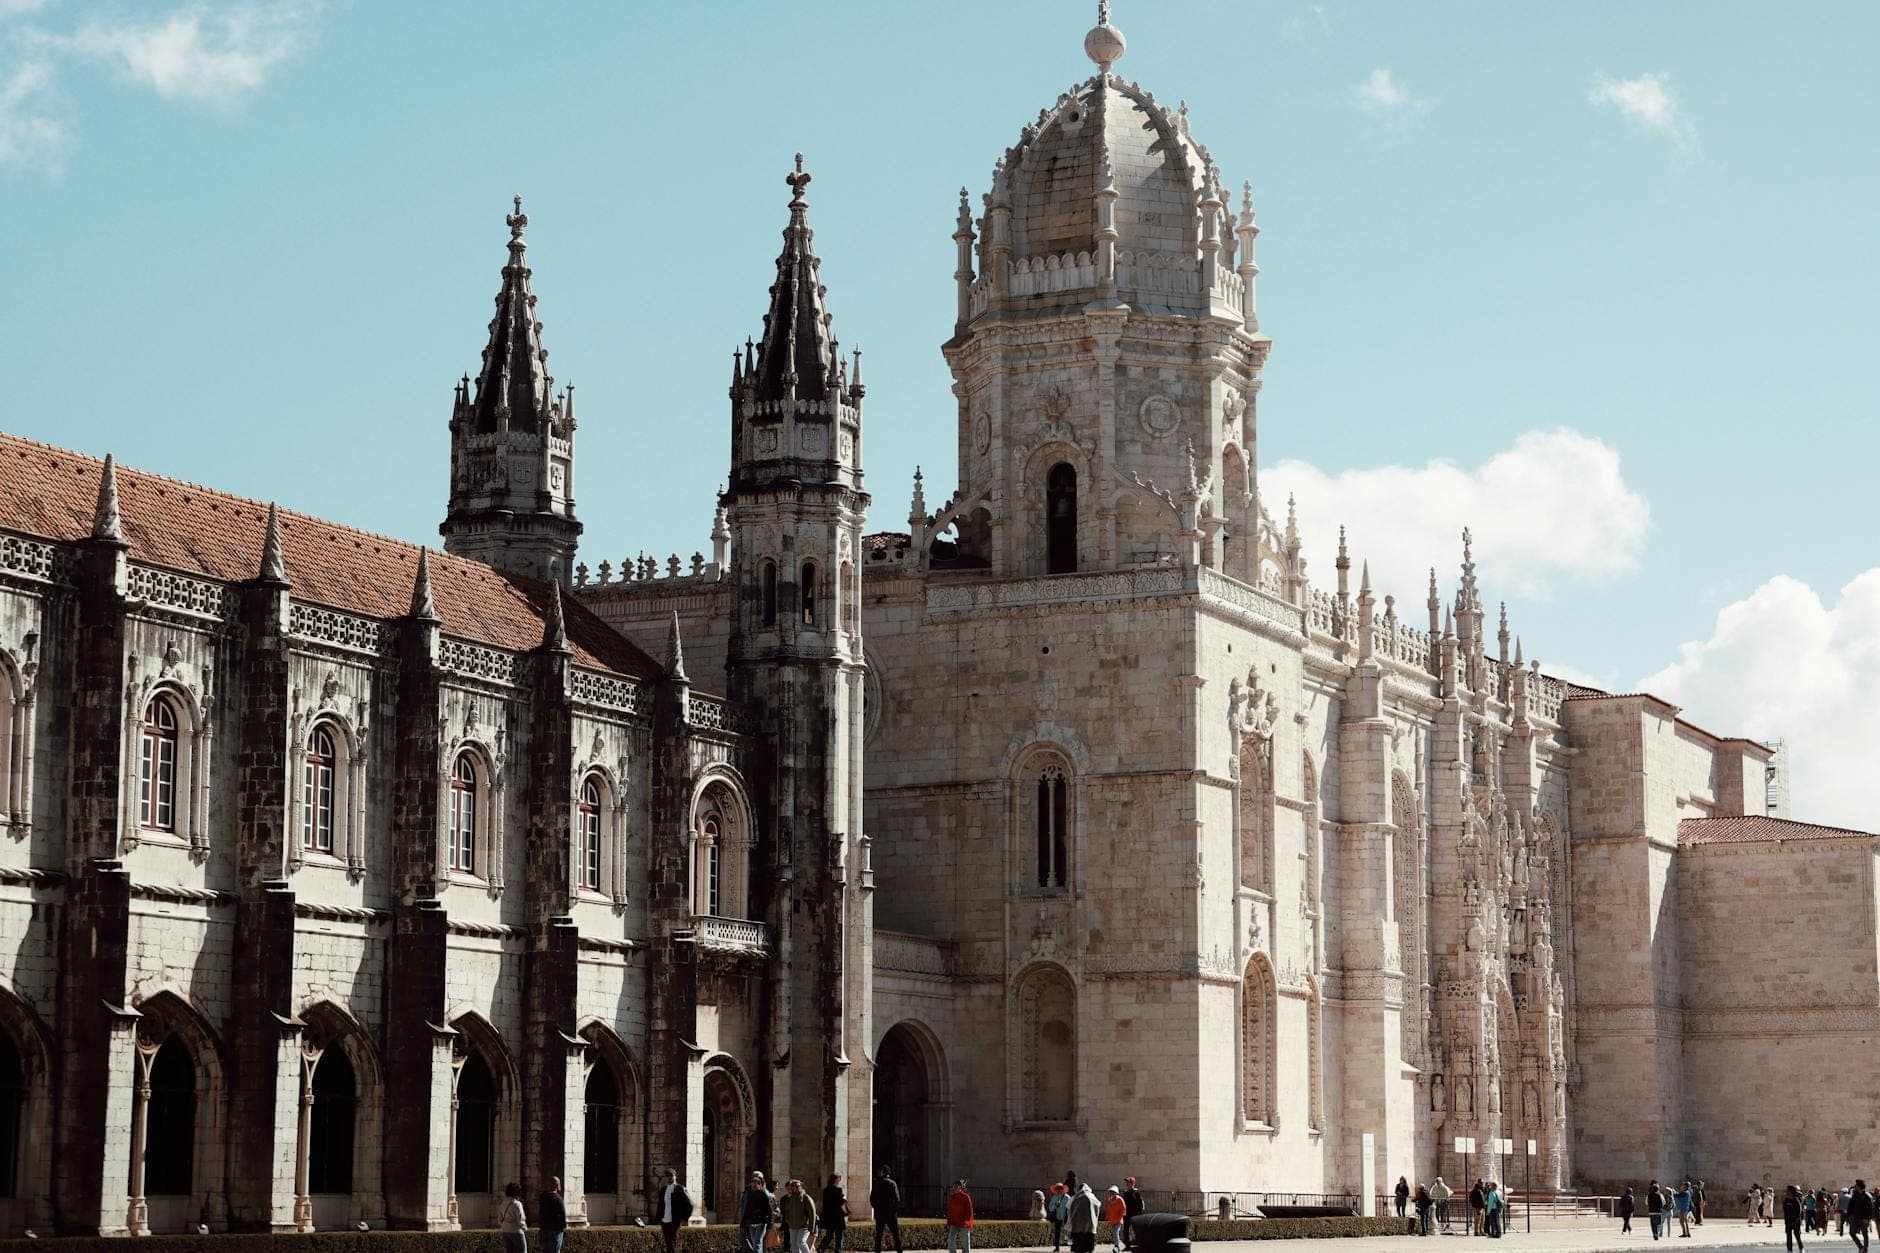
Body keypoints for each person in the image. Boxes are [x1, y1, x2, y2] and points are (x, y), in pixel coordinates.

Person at [659, 1169, 696, 1253]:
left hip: (675, 1221)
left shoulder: (680, 1189)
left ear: (675, 1176)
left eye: (671, 1175)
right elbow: (661, 1205)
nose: (669, 1177)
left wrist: (684, 1218)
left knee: (674, 1244)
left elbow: (691, 1204)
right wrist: (660, 1218)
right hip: (664, 1221)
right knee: (667, 1244)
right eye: (668, 1176)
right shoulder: (663, 1190)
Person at [740, 1171, 777, 1253]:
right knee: (755, 1243)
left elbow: (769, 1210)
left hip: (761, 1222)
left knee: (757, 1243)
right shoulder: (749, 1194)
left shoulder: (764, 1195)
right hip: (752, 1222)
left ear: (760, 1184)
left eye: (755, 1184)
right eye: (752, 1184)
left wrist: (770, 1224)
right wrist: (743, 1222)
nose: (753, 1186)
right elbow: (747, 1209)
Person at [780, 1178, 818, 1253]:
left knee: (801, 1242)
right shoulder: (789, 1199)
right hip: (793, 1226)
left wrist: (811, 1227)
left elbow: (812, 1213)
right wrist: (788, 1221)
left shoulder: (805, 1197)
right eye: (795, 1186)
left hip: (804, 1226)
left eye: (799, 1185)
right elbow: (786, 1211)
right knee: (794, 1245)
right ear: (792, 1188)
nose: (798, 1187)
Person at [870, 1167, 902, 1253]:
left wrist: (876, 1208)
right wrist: (894, 1210)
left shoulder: (877, 1183)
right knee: (896, 1235)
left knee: (879, 1235)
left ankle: (877, 1251)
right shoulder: (892, 1184)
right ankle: (899, 1251)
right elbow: (897, 1199)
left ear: (884, 1172)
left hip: (880, 1213)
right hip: (891, 1214)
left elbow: (872, 1199)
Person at [1067, 1182, 1101, 1253]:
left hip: (1077, 1227)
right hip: (1090, 1226)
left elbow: (1070, 1211)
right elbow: (1097, 1210)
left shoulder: (1075, 1198)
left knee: (1079, 1247)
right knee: (1089, 1246)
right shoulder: (1092, 1197)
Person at [538, 1177, 568, 1253]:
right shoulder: (558, 1199)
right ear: (558, 1185)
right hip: (555, 1231)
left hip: (544, 1229)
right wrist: (563, 1228)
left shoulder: (542, 1198)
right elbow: (562, 1216)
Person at [822, 1175, 850, 1253]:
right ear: (836, 1180)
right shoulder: (838, 1190)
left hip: (829, 1217)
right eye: (839, 1179)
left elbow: (825, 1204)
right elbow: (841, 1203)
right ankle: (837, 1251)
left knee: (829, 1236)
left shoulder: (826, 1190)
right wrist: (844, 1199)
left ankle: (821, 1249)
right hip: (838, 1217)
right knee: (839, 1237)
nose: (839, 1180)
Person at [946, 1180, 975, 1253]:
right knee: (951, 1239)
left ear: (961, 1188)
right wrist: (949, 1221)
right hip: (954, 1223)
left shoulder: (966, 1197)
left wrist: (968, 1223)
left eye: (956, 1187)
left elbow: (969, 1211)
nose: (954, 1188)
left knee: (965, 1243)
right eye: (953, 1187)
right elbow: (950, 1210)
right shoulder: (952, 1197)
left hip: (963, 1224)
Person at [500, 1182, 529, 1253]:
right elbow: (521, 1219)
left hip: (505, 1230)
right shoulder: (517, 1204)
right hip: (516, 1231)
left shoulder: (503, 1202)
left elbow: (500, 1218)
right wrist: (525, 1228)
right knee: (523, 1250)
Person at [1848, 1180, 1874, 1253]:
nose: (1855, 1186)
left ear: (1859, 1186)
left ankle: (1865, 1249)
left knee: (1864, 1234)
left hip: (1864, 1218)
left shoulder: (1867, 1196)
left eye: (1856, 1185)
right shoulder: (1854, 1195)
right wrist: (1849, 1216)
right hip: (1855, 1217)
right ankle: (1860, 1247)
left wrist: (1868, 1219)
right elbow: (1850, 1206)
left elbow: (1870, 1208)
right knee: (1852, 1233)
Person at [1102, 1186, 1127, 1253]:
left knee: (1115, 1232)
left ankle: (1117, 1247)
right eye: (1110, 1192)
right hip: (1112, 1220)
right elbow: (1107, 1210)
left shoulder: (1120, 1199)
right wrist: (1107, 1218)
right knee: (1114, 1232)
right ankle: (1119, 1244)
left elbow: (1123, 1209)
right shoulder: (1109, 1200)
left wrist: (1121, 1215)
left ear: (1116, 1193)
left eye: (1112, 1192)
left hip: (1118, 1219)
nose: (1111, 1194)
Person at [1047, 1184, 1071, 1253]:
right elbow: (1050, 1208)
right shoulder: (1054, 1197)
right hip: (1057, 1217)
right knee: (1057, 1233)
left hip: (1066, 1218)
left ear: (1062, 1189)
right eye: (1057, 1188)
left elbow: (1070, 1207)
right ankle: (1057, 1247)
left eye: (1060, 1188)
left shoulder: (1067, 1197)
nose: (1059, 1190)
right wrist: (1055, 1205)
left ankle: (1071, 1245)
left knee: (1068, 1232)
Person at [1122, 1178, 1144, 1250]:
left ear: (1133, 1183)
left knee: (1137, 1230)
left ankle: (1140, 1245)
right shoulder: (1125, 1193)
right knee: (1125, 1230)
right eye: (1127, 1182)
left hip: (1135, 1215)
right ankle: (1127, 1246)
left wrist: (1139, 1215)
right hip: (1127, 1215)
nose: (1127, 1184)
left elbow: (1140, 1204)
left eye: (1128, 1182)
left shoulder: (1136, 1192)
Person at [1784, 1185, 1806, 1253]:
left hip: (1795, 1221)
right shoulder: (1786, 1200)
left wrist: (1796, 1220)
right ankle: (1789, 1250)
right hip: (1788, 1221)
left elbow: (1799, 1211)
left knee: (1797, 1235)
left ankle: (1801, 1248)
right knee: (1788, 1236)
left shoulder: (1796, 1200)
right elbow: (1785, 1210)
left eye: (1788, 1190)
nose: (1786, 1192)